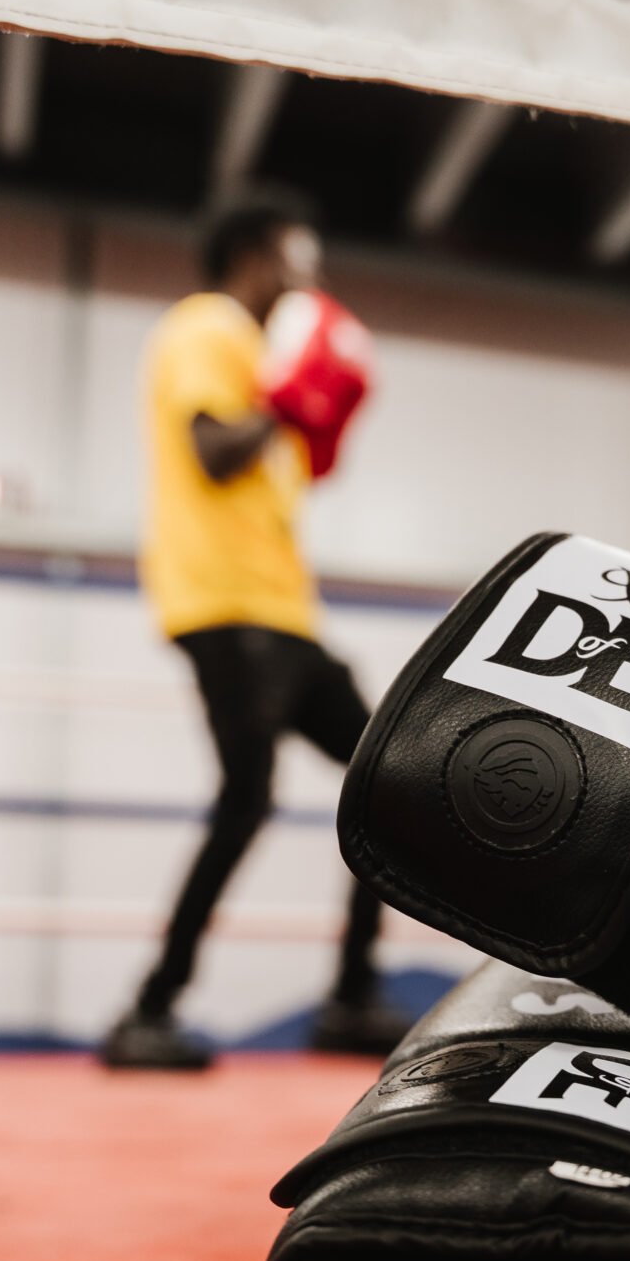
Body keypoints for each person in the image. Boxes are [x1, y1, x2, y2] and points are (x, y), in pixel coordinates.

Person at [101, 188, 408, 1071]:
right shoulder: (209, 328)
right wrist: (291, 397)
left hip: (282, 615)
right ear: (257, 256)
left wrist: (303, 408)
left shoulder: (257, 355)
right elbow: (212, 451)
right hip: (227, 610)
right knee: (247, 802)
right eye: (299, 257)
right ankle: (148, 1011)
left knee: (388, 781)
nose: (310, 277)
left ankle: (351, 999)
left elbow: (281, 476)